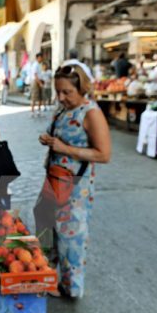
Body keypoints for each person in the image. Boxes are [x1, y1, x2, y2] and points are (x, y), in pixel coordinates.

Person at [36, 64, 111, 298]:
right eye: (58, 91)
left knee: (71, 235)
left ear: (81, 88)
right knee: (45, 225)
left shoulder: (91, 113)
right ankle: (47, 275)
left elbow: (104, 154)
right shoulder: (62, 110)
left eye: (67, 92)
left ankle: (70, 287)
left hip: (76, 184)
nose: (61, 97)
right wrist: (48, 140)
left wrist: (64, 148)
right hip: (55, 178)